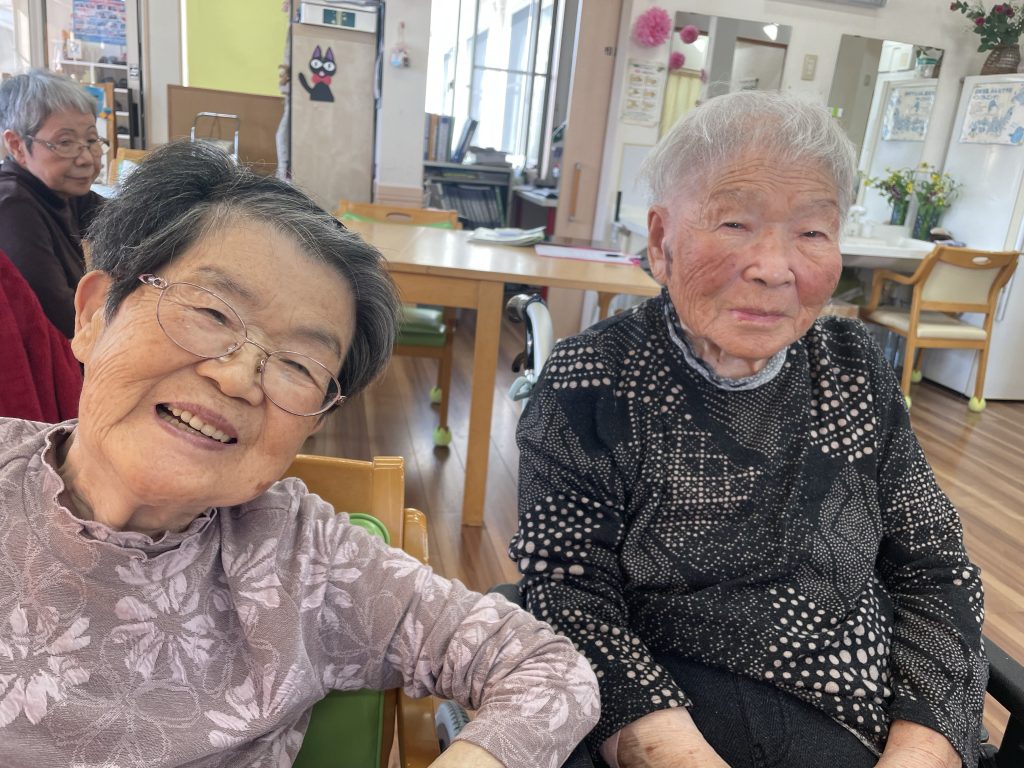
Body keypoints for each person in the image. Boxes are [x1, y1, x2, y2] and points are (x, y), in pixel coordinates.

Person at [0, 140, 599, 767]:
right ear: (94, 316)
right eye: (210, 312)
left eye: (299, 365)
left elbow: (549, 672)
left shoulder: (303, 562)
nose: (238, 377)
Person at [511, 90, 986, 768]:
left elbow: (936, 568)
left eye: (812, 232)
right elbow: (567, 591)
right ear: (660, 242)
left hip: (861, 717)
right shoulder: (593, 377)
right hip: (667, 711)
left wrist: (921, 751)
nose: (772, 267)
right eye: (734, 222)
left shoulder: (856, 368)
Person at [0, 68, 106, 338]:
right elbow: (65, 317)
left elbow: (128, 219)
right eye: (65, 142)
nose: (86, 158)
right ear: (17, 146)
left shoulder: (63, 190)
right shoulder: (13, 206)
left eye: (91, 140)